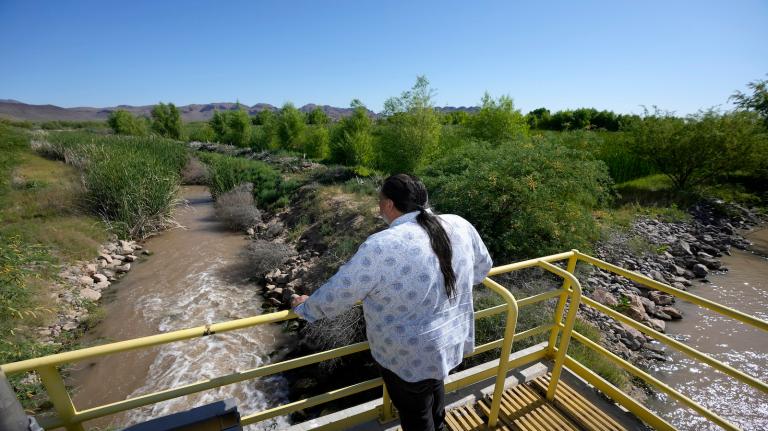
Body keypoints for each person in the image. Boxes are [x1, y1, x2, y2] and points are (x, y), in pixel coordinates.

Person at [291, 173, 493, 431]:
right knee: (434, 394)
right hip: (449, 340)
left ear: (388, 204)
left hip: (406, 356)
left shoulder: (382, 245)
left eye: (379, 201)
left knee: (417, 418)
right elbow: (483, 268)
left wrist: (304, 307)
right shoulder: (459, 225)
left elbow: (339, 294)